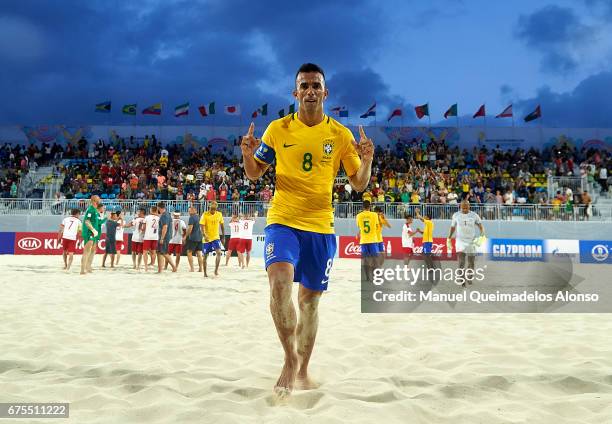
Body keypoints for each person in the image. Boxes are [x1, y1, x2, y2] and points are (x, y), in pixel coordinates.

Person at [240, 63, 373, 396]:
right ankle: (289, 360)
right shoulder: (277, 129)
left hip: (320, 225)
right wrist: (246, 155)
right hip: (283, 219)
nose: (311, 91)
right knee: (279, 284)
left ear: (325, 92)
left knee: (309, 303)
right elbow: (255, 174)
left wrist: (367, 159)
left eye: (316, 85)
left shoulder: (340, 134)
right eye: (305, 86)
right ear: (295, 92)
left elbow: (358, 185)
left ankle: (304, 369)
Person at [448, 200, 486, 287]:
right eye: (463, 207)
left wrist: (482, 234)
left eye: (466, 207)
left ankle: (469, 277)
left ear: (469, 206)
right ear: (460, 207)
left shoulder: (474, 215)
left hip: (471, 241)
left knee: (471, 262)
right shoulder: (456, 215)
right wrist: (449, 236)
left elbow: (480, 225)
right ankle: (461, 279)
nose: (464, 209)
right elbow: (453, 227)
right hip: (460, 242)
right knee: (461, 261)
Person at [356, 200, 380, 282]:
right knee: (375, 259)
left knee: (365, 260)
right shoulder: (374, 215)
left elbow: (359, 226)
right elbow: (377, 226)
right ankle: (375, 275)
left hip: (364, 240)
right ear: (370, 206)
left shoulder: (359, 216)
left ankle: (367, 278)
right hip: (373, 240)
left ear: (363, 207)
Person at [199, 200, 224, 277]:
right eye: (212, 208)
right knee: (205, 256)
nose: (213, 210)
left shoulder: (219, 214)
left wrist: (223, 236)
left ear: (216, 208)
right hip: (207, 238)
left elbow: (222, 225)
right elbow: (201, 226)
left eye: (214, 208)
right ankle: (205, 273)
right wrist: (204, 235)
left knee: (219, 253)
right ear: (210, 207)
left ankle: (216, 270)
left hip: (216, 237)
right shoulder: (205, 214)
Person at [80, 196, 101, 275]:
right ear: (94, 200)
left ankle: (88, 267)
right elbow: (87, 222)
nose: (100, 200)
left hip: (94, 232)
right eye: (98, 199)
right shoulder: (90, 209)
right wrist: (93, 230)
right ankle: (82, 270)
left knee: (93, 250)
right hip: (89, 232)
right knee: (86, 251)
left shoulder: (95, 210)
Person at [156, 202, 177, 273]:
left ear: (159, 207)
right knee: (159, 252)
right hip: (167, 235)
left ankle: (174, 267)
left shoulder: (164, 216)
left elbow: (165, 227)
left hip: (164, 236)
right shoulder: (167, 214)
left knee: (164, 252)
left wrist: (162, 238)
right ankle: (160, 270)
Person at [184, 206, 204, 272]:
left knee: (189, 252)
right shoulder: (199, 217)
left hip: (193, 238)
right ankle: (200, 268)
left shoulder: (191, 218)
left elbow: (190, 229)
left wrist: (185, 237)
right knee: (199, 253)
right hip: (199, 237)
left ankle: (192, 268)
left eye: (190, 211)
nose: (189, 212)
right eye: (189, 211)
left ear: (194, 210)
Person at [142, 206, 160, 273]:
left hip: (148, 236)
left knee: (145, 252)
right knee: (154, 251)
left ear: (151, 210)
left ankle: (146, 266)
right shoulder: (158, 218)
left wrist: (142, 232)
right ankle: (152, 264)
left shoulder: (147, 217)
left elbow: (143, 228)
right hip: (155, 236)